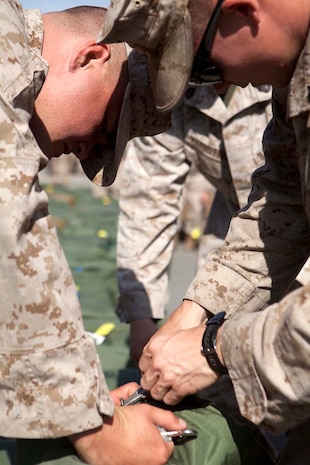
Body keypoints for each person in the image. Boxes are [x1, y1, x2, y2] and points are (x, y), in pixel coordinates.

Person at [0, 2, 276, 465]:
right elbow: (12, 229)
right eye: (107, 129)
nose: (86, 151)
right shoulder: (8, 55)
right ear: (89, 58)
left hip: (256, 250)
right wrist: (93, 429)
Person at [99, 0, 310, 463]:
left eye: (206, 65)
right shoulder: (294, 68)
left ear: (243, 9)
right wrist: (198, 309)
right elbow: (284, 199)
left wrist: (217, 351)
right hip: (244, 252)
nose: (226, 82)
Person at [116, 83, 272, 364]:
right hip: (232, 239)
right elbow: (149, 198)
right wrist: (142, 318)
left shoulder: (293, 77)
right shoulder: (168, 85)